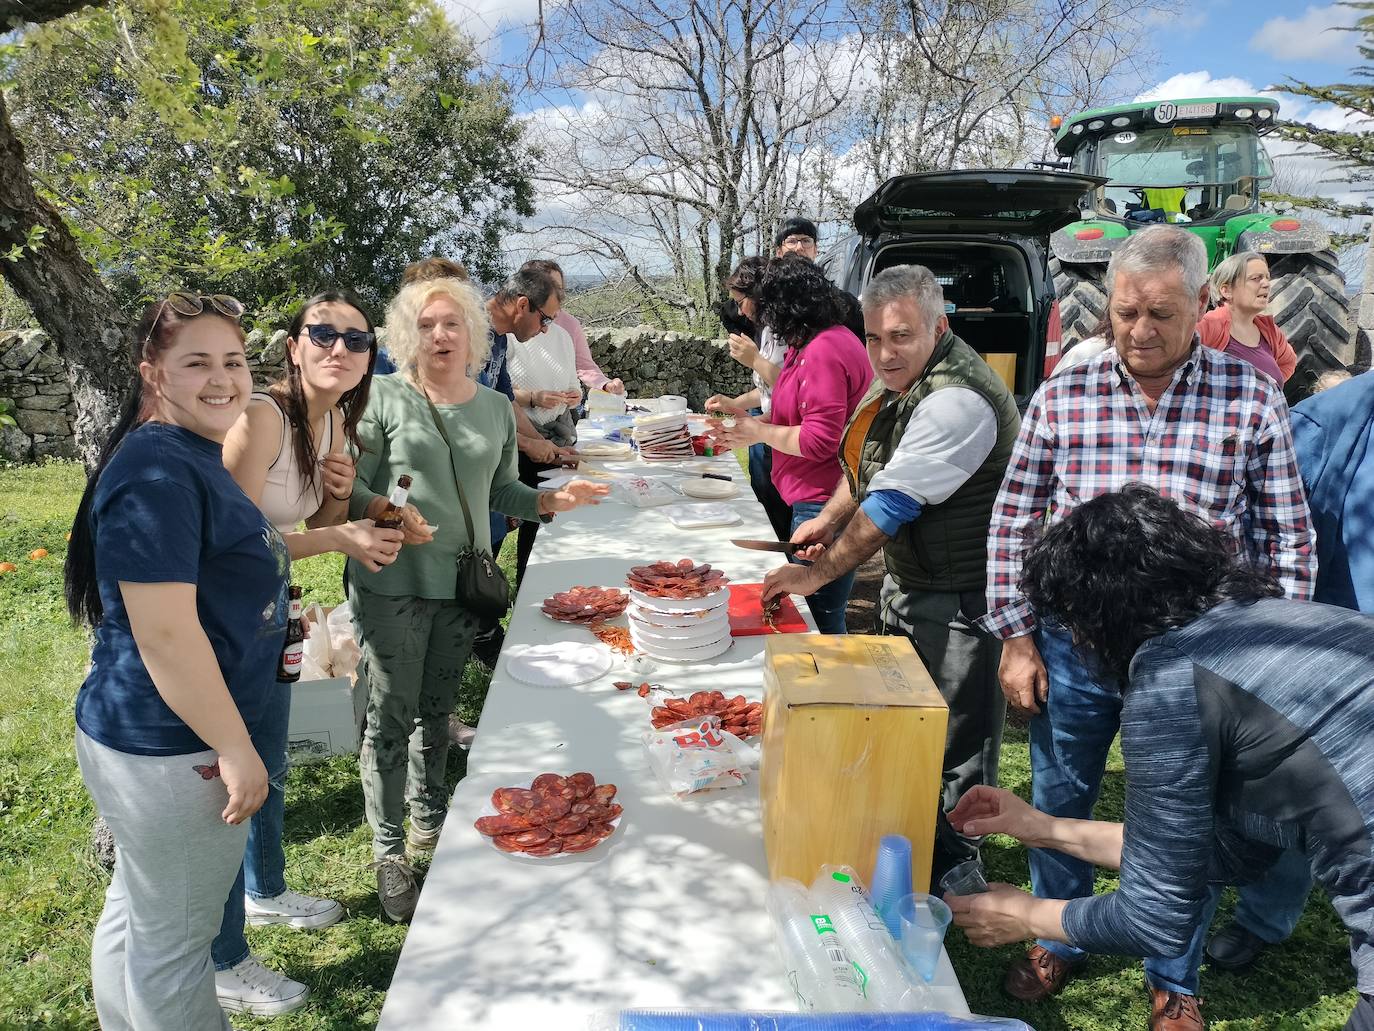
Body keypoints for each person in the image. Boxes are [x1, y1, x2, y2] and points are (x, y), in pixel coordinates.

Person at [980, 225, 1315, 1030]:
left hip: (1195, 658)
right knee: (1061, 791)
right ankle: (1054, 936)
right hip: (1075, 645)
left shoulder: (1250, 394)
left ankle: (1174, 972)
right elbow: (1015, 519)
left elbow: (1288, 539)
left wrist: (1268, 660)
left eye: (1160, 314)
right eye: (1125, 311)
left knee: (1182, 820)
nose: (1138, 330)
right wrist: (1019, 638)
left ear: (1203, 304)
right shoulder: (1065, 391)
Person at [946, 485, 1374, 1031]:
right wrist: (1039, 826)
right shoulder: (1291, 622)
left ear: (1097, 613)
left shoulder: (1171, 679)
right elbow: (1220, 855)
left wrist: (1028, 915)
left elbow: (1155, 918)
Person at [346, 276, 607, 923]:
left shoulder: (494, 406)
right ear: (409, 333)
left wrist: (550, 499)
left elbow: (503, 494)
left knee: (438, 713)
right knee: (390, 714)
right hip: (392, 586)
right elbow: (345, 490)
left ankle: (428, 826)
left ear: (473, 334)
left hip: (461, 589)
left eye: (452, 324)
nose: (440, 335)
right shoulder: (381, 397)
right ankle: (388, 852)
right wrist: (385, 511)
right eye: (427, 324)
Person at [64, 292, 287, 1030]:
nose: (223, 378)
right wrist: (233, 745)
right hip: (174, 746)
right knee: (176, 946)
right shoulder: (158, 468)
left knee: (138, 910)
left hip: (145, 737)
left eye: (234, 361)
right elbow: (164, 634)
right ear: (152, 372)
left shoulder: (186, 450)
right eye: (197, 362)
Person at [761, 264, 1020, 885]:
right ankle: (903, 837)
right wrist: (824, 522)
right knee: (906, 724)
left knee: (957, 740)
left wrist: (814, 576)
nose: (883, 353)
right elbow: (867, 474)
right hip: (915, 582)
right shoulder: (904, 381)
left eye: (900, 336)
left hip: (963, 595)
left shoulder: (957, 399)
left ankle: (960, 870)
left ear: (940, 326)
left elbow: (890, 505)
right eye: (874, 338)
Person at [211, 290, 402, 1014]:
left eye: (356, 340)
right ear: (293, 345)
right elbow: (228, 541)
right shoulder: (262, 417)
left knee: (271, 757)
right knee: (229, 781)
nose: (338, 347)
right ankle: (223, 959)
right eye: (322, 332)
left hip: (272, 611)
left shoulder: (331, 427)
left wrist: (344, 501)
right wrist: (337, 534)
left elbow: (307, 519)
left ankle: (265, 888)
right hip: (219, 621)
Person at [1204, 369, 1374, 972]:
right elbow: (1284, 534)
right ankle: (1262, 916)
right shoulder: (1333, 421)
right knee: (1292, 795)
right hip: (1329, 650)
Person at [711, 255, 873, 633]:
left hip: (822, 499)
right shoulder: (809, 344)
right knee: (816, 611)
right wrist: (748, 423)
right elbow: (792, 414)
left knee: (820, 616)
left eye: (760, 304)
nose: (754, 314)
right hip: (812, 496)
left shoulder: (824, 350)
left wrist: (757, 432)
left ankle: (833, 691)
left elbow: (820, 439)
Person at [508, 258, 586, 583]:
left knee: (554, 517)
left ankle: (552, 584)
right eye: (553, 291)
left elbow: (573, 382)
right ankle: (526, 585)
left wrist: (572, 395)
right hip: (522, 438)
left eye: (562, 292)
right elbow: (499, 393)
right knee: (528, 517)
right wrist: (534, 398)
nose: (548, 324)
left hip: (555, 437)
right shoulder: (509, 336)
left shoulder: (561, 335)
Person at [706, 256, 792, 541]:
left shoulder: (788, 333)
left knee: (783, 526)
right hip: (771, 433)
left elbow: (793, 390)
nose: (740, 312)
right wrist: (734, 403)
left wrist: (754, 359)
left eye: (741, 302)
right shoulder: (767, 331)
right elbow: (767, 392)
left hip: (788, 439)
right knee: (769, 515)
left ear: (759, 295)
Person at [523, 258, 625, 395]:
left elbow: (584, 365)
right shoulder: (512, 328)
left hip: (561, 407)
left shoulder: (569, 324)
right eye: (550, 287)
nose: (557, 294)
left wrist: (606, 384)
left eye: (559, 288)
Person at [1197, 252, 1296, 386]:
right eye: (1256, 278)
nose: (1267, 284)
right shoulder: (1209, 325)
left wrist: (1268, 392)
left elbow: (1288, 363)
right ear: (1226, 291)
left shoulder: (1270, 331)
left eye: (1267, 277)